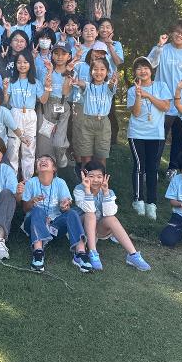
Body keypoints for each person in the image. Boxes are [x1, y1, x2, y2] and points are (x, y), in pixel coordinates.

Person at [147, 19, 182, 178]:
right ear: (171, 33)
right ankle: (152, 169)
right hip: (163, 102)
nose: (179, 35)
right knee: (158, 138)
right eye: (176, 31)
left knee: (179, 138)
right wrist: (159, 45)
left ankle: (173, 168)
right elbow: (150, 64)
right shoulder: (163, 49)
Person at [74, 161, 151, 271]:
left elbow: (110, 213)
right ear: (85, 176)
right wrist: (87, 190)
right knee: (90, 214)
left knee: (111, 218)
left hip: (99, 228)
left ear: (104, 177)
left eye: (99, 176)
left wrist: (105, 193)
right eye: (91, 176)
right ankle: (93, 253)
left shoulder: (109, 192)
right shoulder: (79, 189)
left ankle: (133, 255)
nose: (95, 180)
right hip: (82, 229)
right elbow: (89, 209)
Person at [22, 155, 91, 273]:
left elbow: (66, 207)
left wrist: (64, 206)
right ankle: (38, 252)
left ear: (54, 168)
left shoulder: (60, 183)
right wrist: (32, 202)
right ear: (37, 169)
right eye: (40, 160)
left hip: (55, 226)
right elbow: (25, 209)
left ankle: (80, 253)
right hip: (35, 225)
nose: (43, 161)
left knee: (72, 213)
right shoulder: (31, 183)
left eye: (47, 160)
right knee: (37, 210)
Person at [126, 56, 172, 221]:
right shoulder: (132, 90)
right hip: (136, 133)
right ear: (135, 72)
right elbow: (136, 112)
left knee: (152, 168)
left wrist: (148, 95)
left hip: (156, 134)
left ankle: (152, 203)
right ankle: (138, 200)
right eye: (139, 68)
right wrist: (139, 95)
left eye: (145, 67)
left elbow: (165, 106)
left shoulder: (161, 86)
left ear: (151, 70)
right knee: (139, 165)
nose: (142, 71)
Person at [5, 50, 52, 179]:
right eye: (19, 62)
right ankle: (12, 181)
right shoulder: (11, 81)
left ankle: (27, 180)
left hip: (31, 114)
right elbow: (5, 101)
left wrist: (48, 87)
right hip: (15, 113)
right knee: (13, 148)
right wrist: (4, 89)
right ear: (15, 64)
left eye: (25, 62)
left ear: (30, 64)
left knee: (29, 148)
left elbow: (43, 100)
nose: (22, 65)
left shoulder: (35, 82)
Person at [71, 58, 118, 166]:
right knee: (85, 156)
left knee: (101, 156)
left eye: (102, 69)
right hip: (87, 122)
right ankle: (85, 176)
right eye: (95, 69)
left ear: (107, 72)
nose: (98, 72)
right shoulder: (88, 86)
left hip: (103, 123)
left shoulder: (108, 86)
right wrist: (77, 82)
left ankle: (102, 176)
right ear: (91, 72)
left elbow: (111, 86)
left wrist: (112, 82)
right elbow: (82, 84)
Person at [36, 44, 74, 169]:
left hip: (62, 106)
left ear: (69, 56)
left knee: (58, 143)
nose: (59, 57)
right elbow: (44, 92)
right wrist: (49, 72)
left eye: (63, 54)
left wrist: (68, 73)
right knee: (44, 144)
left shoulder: (72, 72)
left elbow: (65, 93)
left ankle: (61, 162)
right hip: (46, 106)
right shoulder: (45, 70)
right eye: (56, 53)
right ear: (52, 55)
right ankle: (45, 171)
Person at [97, 17, 125, 145]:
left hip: (110, 82)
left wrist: (109, 45)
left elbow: (118, 61)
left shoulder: (116, 44)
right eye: (102, 26)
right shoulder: (95, 43)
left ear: (112, 30)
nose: (105, 29)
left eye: (108, 27)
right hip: (95, 81)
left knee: (109, 111)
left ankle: (111, 140)